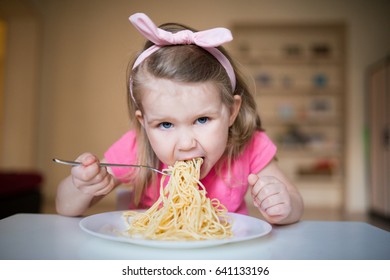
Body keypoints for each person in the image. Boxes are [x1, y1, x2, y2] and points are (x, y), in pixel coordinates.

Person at [56, 13, 304, 225]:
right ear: (144, 123)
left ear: (232, 111)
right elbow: (66, 207)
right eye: (165, 124)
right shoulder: (137, 148)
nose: (186, 144)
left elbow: (294, 203)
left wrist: (283, 204)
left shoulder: (250, 146)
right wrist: (82, 185)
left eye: (202, 119)